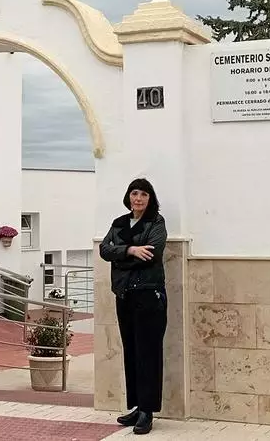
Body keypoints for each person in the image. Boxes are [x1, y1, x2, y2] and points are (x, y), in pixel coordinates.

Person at [98, 177, 168, 435]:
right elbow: (104, 250)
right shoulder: (119, 223)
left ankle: (148, 412)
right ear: (128, 196)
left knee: (148, 352)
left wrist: (120, 255)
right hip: (124, 294)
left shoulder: (156, 222)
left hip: (148, 295)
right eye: (134, 193)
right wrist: (129, 251)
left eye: (144, 195)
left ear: (150, 199)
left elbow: (152, 255)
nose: (138, 199)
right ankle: (138, 407)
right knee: (131, 351)